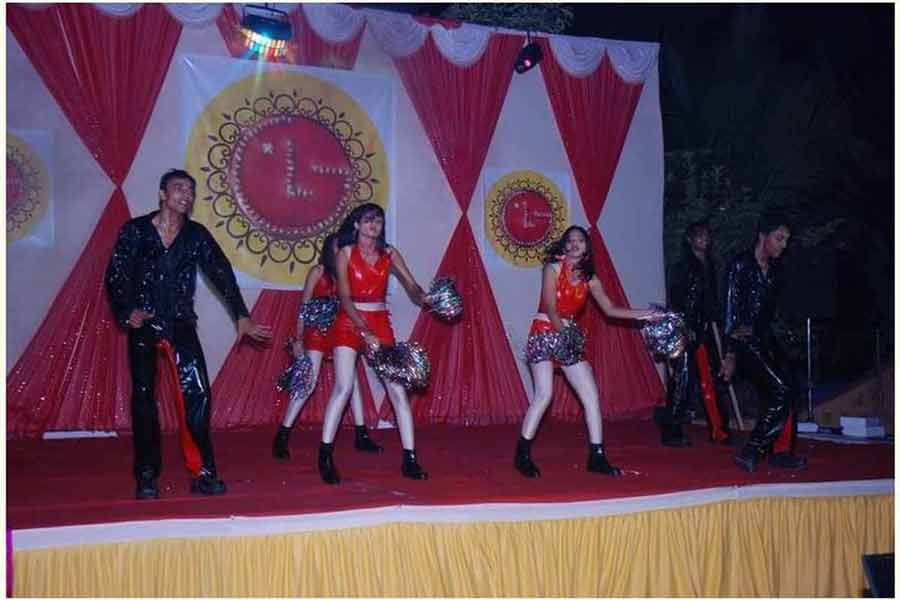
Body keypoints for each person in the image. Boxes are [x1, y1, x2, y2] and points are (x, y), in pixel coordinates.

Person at [105, 169, 273, 499]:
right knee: (144, 399)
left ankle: (204, 473)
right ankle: (147, 475)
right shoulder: (135, 231)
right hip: (144, 324)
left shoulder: (196, 235)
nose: (186, 195)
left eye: (191, 191)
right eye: (179, 188)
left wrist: (241, 314)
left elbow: (221, 272)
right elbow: (116, 275)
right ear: (162, 194)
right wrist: (127, 311)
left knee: (198, 394)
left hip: (180, 323)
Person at [514, 225, 662, 479]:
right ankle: (522, 454)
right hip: (545, 332)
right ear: (564, 245)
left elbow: (611, 309)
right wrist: (565, 334)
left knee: (591, 395)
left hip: (567, 336)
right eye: (570, 240)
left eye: (580, 240)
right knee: (544, 395)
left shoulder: (590, 279)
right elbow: (551, 307)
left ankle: (597, 456)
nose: (574, 244)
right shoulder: (553, 268)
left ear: (586, 248)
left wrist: (648, 314)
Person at [317, 203, 431, 484]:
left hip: (379, 322)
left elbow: (412, 285)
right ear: (357, 225)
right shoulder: (345, 253)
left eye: (378, 220)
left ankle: (410, 458)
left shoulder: (389, 253)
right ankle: (325, 456)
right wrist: (362, 329)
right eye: (368, 220)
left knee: (397, 390)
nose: (374, 225)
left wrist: (424, 297)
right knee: (344, 387)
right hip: (349, 321)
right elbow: (344, 297)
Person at [272, 233, 382, 459]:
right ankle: (282, 434)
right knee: (308, 380)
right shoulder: (318, 271)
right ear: (329, 249)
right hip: (316, 332)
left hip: (341, 329)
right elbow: (304, 306)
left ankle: (361, 434)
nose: (342, 251)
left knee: (351, 380)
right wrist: (298, 338)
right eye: (338, 247)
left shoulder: (348, 274)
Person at [720, 211, 807, 472]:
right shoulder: (740, 265)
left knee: (791, 386)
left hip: (764, 338)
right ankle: (752, 450)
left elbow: (771, 314)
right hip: (744, 341)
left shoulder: (775, 270)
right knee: (782, 389)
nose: (784, 244)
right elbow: (729, 312)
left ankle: (781, 452)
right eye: (779, 238)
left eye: (786, 240)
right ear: (762, 236)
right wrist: (730, 354)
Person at [660, 220, 731, 446]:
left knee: (713, 376)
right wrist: (685, 326)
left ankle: (719, 429)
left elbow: (712, 298)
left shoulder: (709, 265)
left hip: (705, 328)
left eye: (707, 236)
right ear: (690, 240)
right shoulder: (681, 267)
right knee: (682, 378)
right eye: (699, 236)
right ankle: (672, 430)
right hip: (686, 328)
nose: (704, 240)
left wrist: (716, 319)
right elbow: (676, 299)